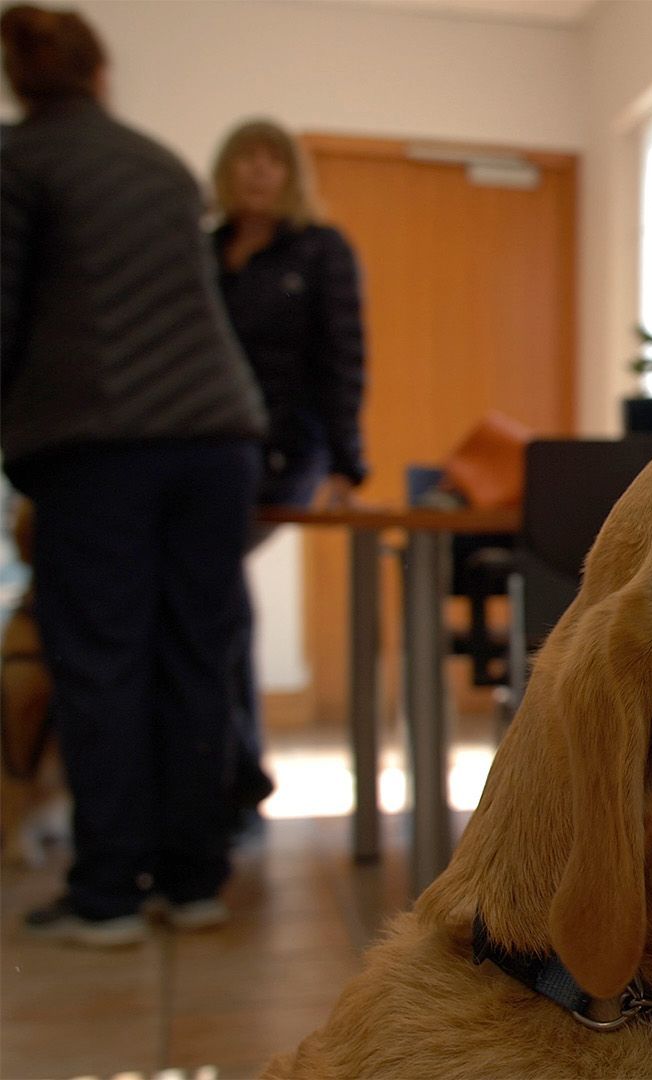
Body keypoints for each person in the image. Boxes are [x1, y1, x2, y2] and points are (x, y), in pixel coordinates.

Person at [0, 3, 267, 944]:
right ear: (100, 75)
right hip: (217, 437)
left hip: (101, 442)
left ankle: (109, 891)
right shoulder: (159, 162)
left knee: (101, 661)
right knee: (199, 657)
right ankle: (194, 880)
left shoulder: (20, 160)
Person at [207, 117, 369, 829]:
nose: (259, 171)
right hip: (203, 448)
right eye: (246, 158)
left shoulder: (321, 250)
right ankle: (225, 776)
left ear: (292, 173)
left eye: (274, 159)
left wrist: (346, 464)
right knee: (206, 599)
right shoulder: (204, 253)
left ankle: (235, 781)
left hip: (284, 450)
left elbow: (343, 356)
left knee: (205, 590)